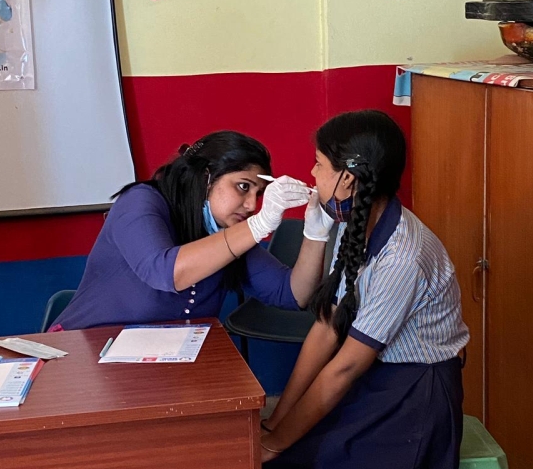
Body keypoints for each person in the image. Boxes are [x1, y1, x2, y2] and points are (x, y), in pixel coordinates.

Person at [260, 111, 469, 469]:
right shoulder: (359, 225)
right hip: (381, 385)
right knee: (267, 457)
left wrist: (277, 444)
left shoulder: (403, 254)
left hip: (415, 405)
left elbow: (345, 368)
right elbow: (326, 329)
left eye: (318, 165)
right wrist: (277, 423)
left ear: (348, 179)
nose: (311, 174)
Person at [52, 130, 335, 331]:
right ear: (205, 177)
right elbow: (165, 272)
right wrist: (258, 225)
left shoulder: (228, 230)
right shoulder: (140, 202)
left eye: (258, 194)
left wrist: (315, 233)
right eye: (243, 186)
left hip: (167, 365)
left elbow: (293, 295)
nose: (251, 205)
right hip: (85, 353)